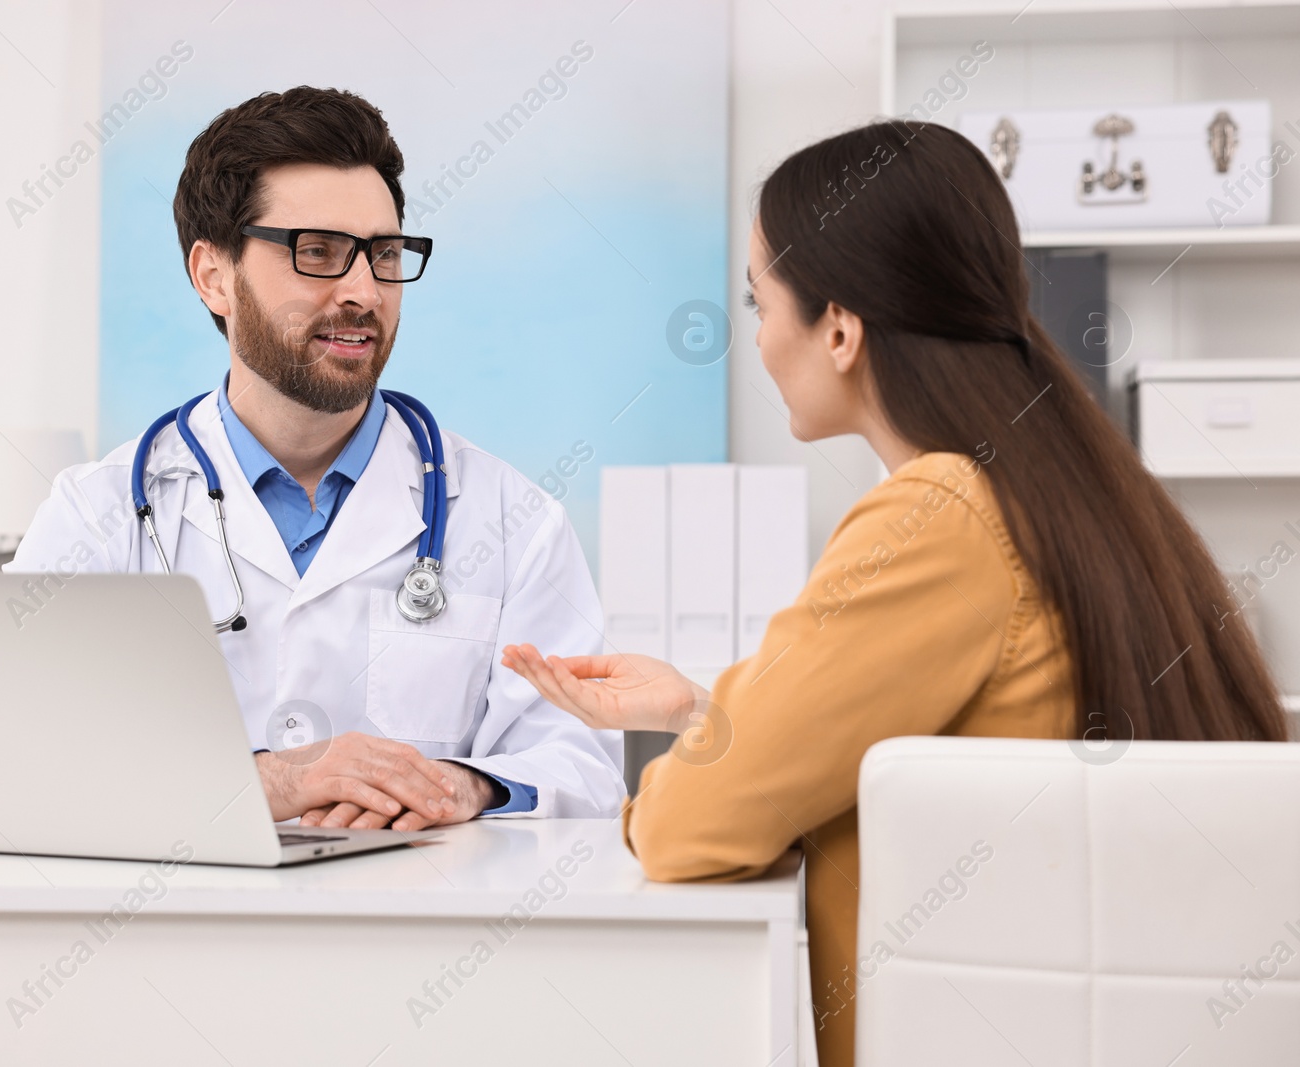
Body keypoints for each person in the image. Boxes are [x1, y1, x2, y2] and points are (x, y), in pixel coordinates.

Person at [502, 119, 1286, 1067]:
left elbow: (685, 828)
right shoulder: (1051, 484)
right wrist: (704, 709)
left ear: (837, 327)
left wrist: (695, 762)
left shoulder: (936, 514)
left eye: (759, 304)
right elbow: (954, 744)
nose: (755, 339)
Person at [8, 87, 624, 832]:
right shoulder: (98, 516)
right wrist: (263, 783)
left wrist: (471, 785)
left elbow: (584, 767)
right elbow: (14, 764)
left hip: (418, 934)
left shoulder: (512, 519)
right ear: (214, 275)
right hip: (174, 939)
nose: (364, 292)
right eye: (319, 252)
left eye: (385, 254)